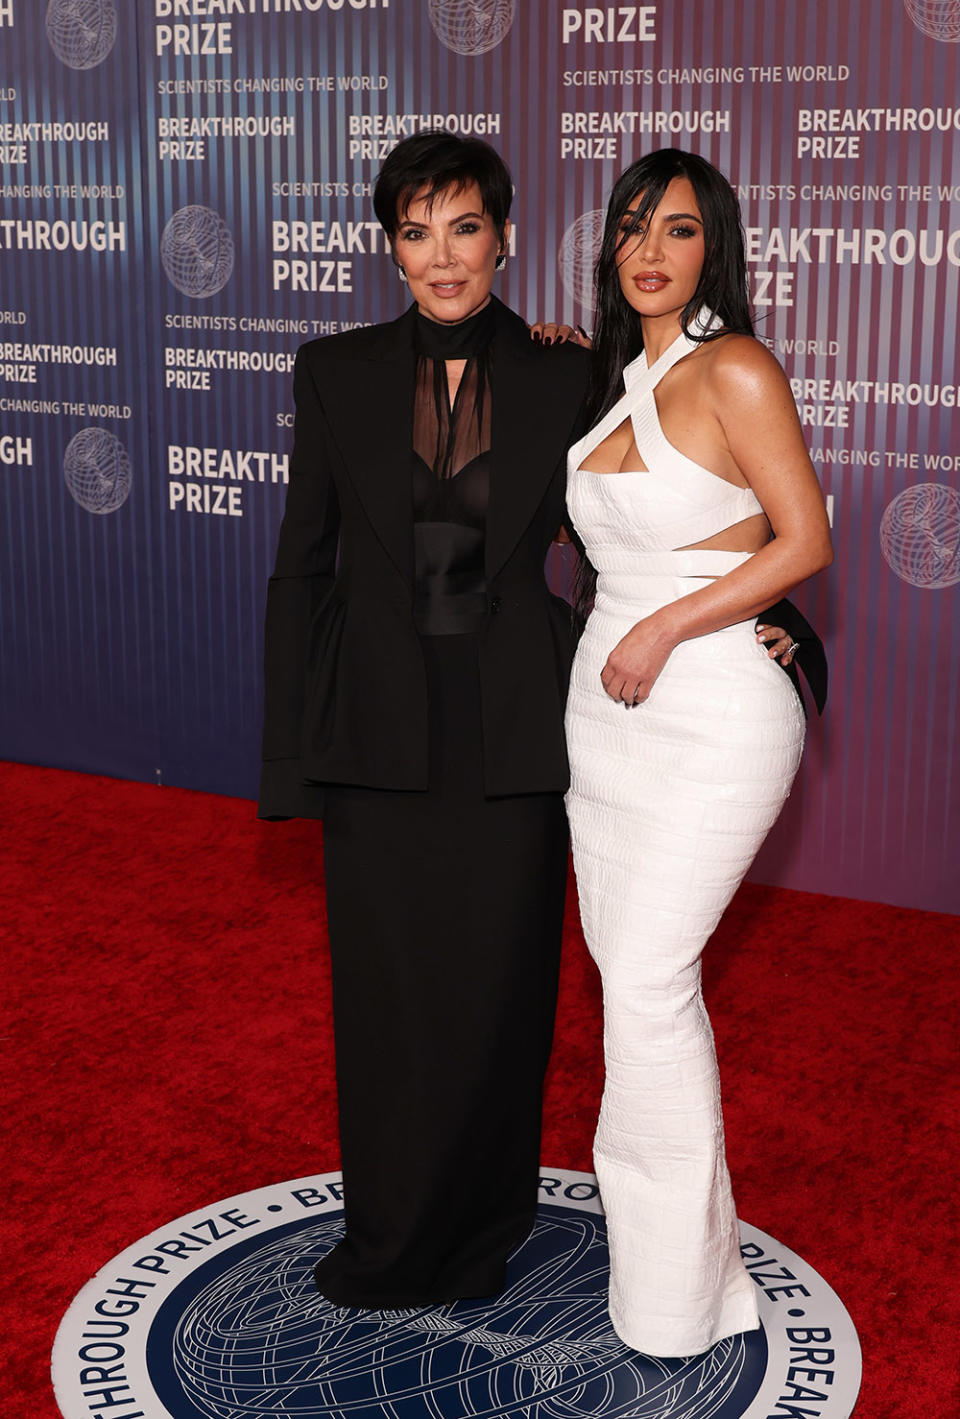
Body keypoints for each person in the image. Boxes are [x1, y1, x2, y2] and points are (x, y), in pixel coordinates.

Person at [259, 131, 813, 1311]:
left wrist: (785, 629)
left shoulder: (572, 376)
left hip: (522, 729)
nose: (442, 256)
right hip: (373, 732)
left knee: (504, 996)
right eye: (416, 231)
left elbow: (696, 509)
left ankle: (485, 1228)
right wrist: (290, 755)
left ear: (506, 238)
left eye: (465, 227)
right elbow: (300, 573)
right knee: (385, 996)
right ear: (391, 247)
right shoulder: (334, 370)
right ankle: (393, 1234)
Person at [563, 147, 833, 1358]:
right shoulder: (621, 381)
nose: (651, 250)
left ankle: (680, 1303)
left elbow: (804, 539)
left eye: (677, 229)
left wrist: (671, 622)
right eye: (633, 228)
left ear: (711, 247)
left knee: (652, 982)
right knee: (630, 982)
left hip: (713, 707)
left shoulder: (737, 368)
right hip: (604, 718)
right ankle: (679, 1274)